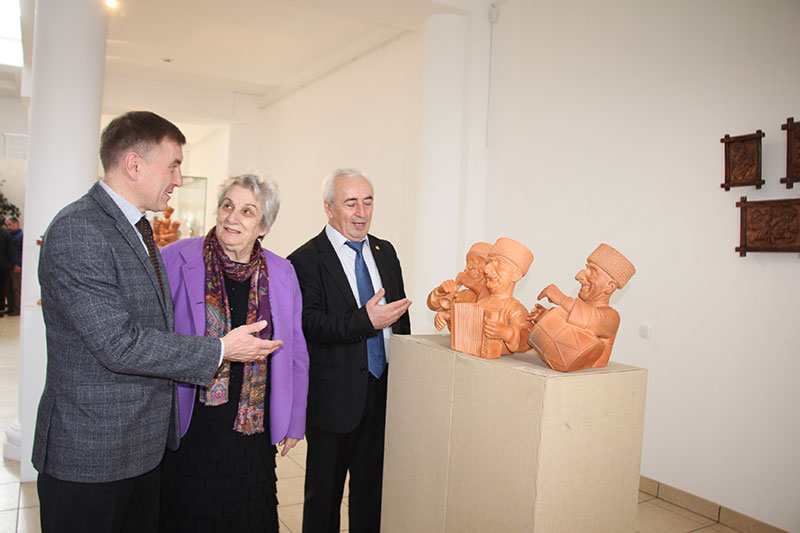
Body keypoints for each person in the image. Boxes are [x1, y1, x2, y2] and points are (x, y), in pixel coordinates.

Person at [34, 111, 281, 533]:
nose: (179, 179)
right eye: (173, 165)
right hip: (92, 455)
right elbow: (119, 344)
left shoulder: (137, 228)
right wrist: (222, 348)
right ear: (134, 165)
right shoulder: (79, 230)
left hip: (140, 450)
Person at [159, 174, 310, 532]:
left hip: (251, 428)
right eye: (228, 206)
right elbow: (156, 339)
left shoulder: (282, 271)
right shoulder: (175, 258)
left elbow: (296, 349)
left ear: (264, 226)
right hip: (192, 423)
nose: (232, 217)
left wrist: (294, 419)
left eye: (247, 211)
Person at [288, 168, 411, 533]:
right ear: (329, 208)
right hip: (334, 400)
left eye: (368, 202)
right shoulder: (305, 260)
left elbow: (399, 318)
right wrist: (364, 321)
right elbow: (309, 323)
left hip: (382, 392)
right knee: (323, 499)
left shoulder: (385, 251)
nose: (361, 212)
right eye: (351, 203)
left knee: (371, 495)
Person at [528, 243, 636, 371]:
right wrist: (544, 316)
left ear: (610, 287)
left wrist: (562, 299)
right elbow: (571, 323)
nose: (579, 276)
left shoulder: (611, 317)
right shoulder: (578, 308)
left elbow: (591, 319)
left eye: (593, 271)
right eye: (586, 268)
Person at [427, 241, 491, 331]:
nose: (469, 267)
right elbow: (436, 305)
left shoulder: (497, 297)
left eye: (477, 262)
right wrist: (440, 292)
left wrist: (449, 316)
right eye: (468, 262)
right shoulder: (465, 295)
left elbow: (484, 312)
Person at [6, 215, 21, 316]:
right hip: (10, 265)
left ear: (16, 224)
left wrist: (19, 264)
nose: (9, 227)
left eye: (10, 225)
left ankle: (17, 308)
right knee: (9, 288)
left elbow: (21, 252)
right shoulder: (9, 236)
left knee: (16, 288)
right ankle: (11, 307)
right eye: (7, 225)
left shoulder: (20, 236)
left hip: (16, 265)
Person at [0, 216, 11, 317]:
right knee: (2, 287)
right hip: (3, 265)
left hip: (3, 264)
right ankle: (1, 308)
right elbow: (9, 251)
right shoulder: (6, 234)